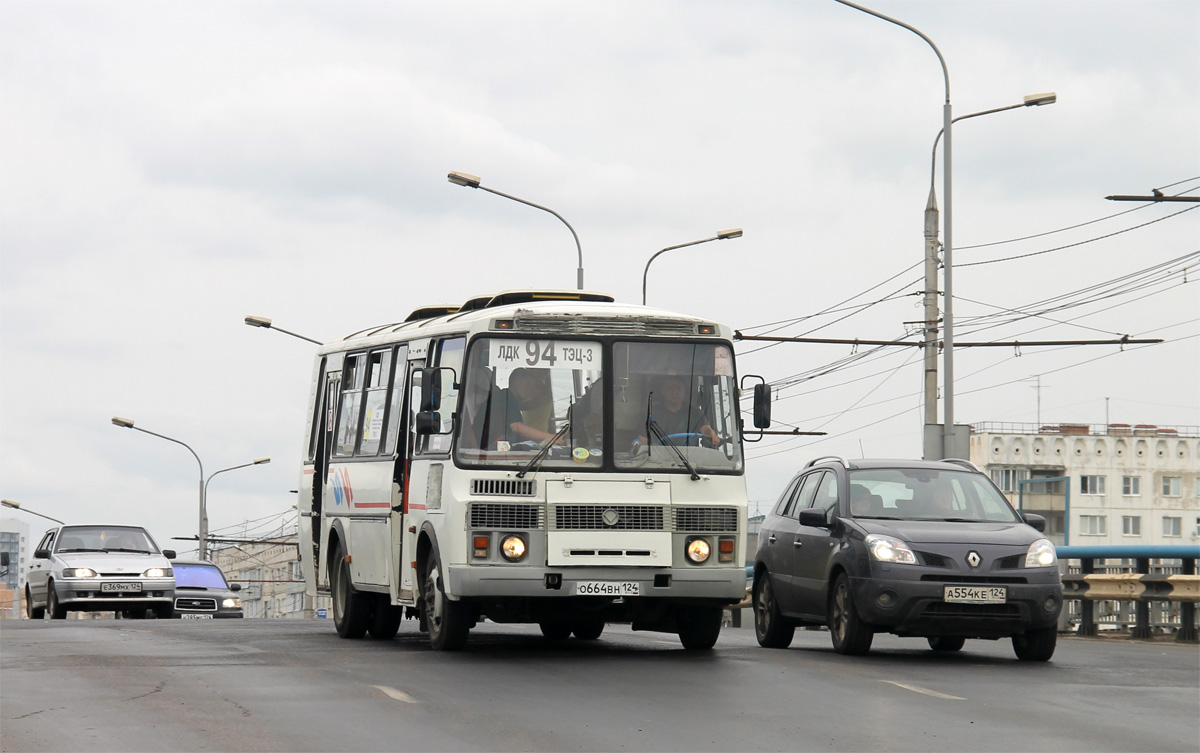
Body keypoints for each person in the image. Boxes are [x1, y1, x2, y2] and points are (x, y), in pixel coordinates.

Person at [647, 371, 720, 448]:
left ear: (684, 390)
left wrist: (712, 435)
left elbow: (706, 429)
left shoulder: (694, 412)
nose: (674, 392)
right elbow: (644, 440)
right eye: (670, 388)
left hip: (689, 458)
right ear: (663, 391)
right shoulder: (652, 413)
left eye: (678, 388)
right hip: (657, 458)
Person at [501, 368, 561, 445]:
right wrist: (551, 437)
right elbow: (517, 427)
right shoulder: (507, 398)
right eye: (529, 386)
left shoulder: (508, 397)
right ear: (518, 383)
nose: (531, 391)